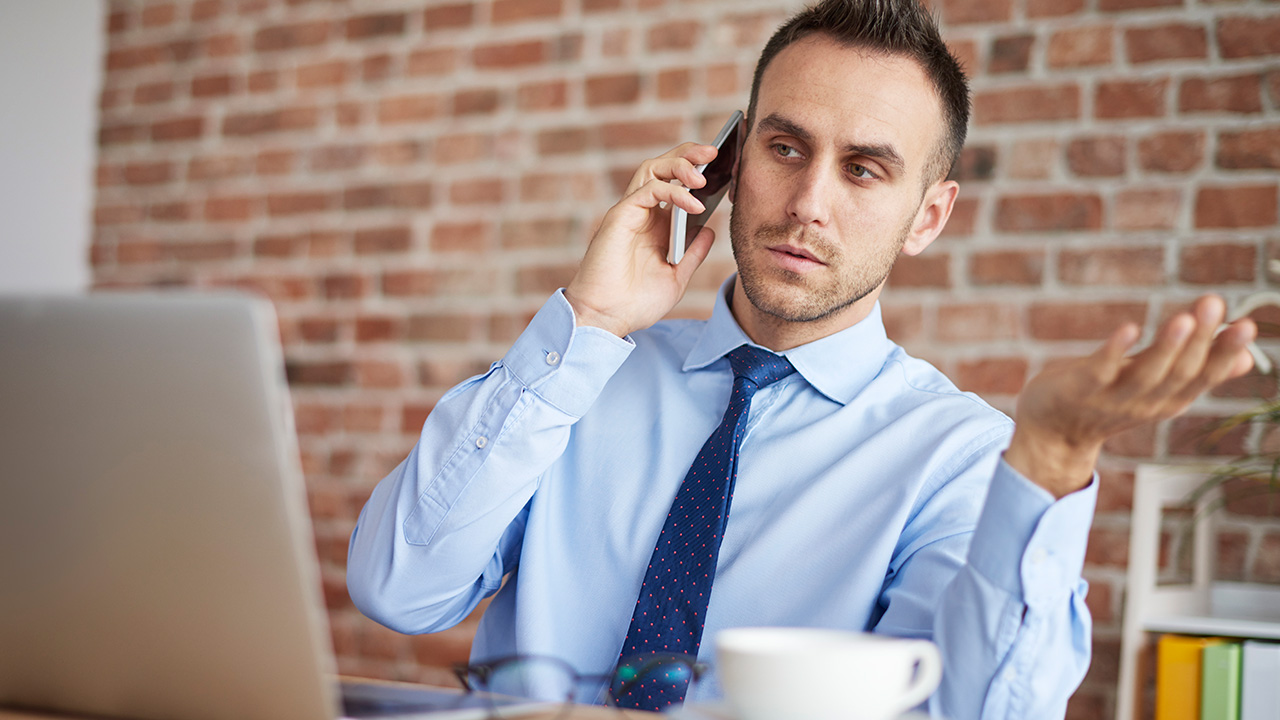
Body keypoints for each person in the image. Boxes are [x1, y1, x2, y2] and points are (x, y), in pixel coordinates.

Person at [345, 0, 1258, 717]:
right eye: (785, 147)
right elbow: (399, 587)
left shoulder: (963, 457)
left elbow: (981, 711)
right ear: (733, 161)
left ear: (928, 217)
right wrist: (588, 320)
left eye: (864, 169)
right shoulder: (582, 373)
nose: (807, 201)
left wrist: (1052, 462)